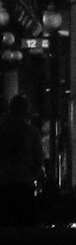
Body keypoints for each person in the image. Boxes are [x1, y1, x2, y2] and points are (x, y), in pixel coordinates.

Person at [0, 94, 47, 226]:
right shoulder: (31, 132)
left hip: (4, 183)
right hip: (23, 183)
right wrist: (32, 175)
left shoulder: (2, 131)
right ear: (25, 110)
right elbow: (39, 158)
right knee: (24, 225)